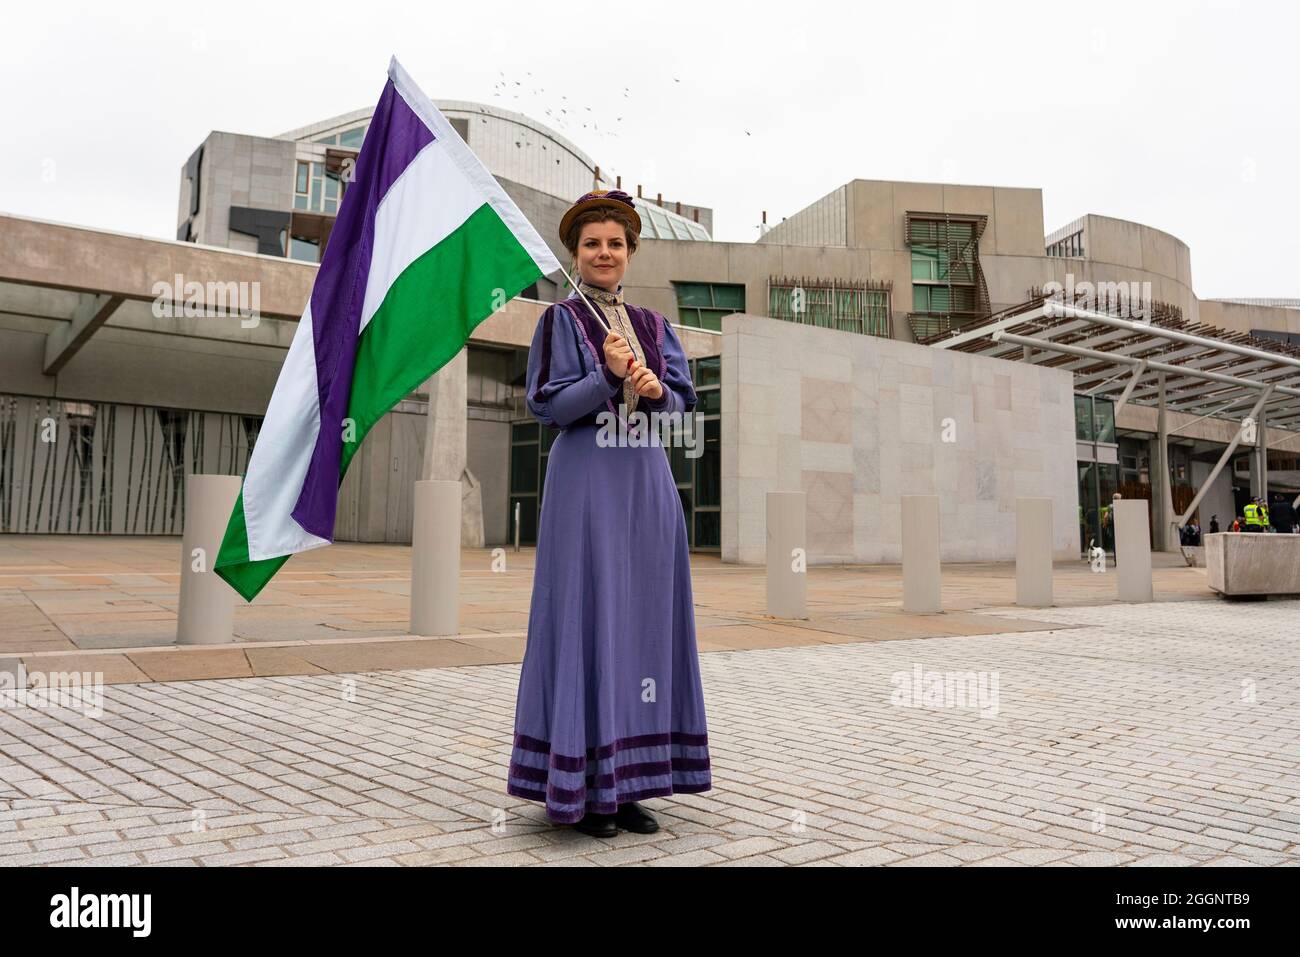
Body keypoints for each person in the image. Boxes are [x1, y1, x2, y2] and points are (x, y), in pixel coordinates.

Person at [506, 189, 712, 838]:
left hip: (644, 484)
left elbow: (680, 403)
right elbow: (548, 405)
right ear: (576, 251)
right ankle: (584, 789)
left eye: (615, 243)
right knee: (589, 617)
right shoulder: (559, 321)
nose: (603, 253)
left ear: (630, 253)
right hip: (586, 481)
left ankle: (630, 786)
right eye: (592, 243)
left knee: (642, 624)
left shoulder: (654, 325)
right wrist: (605, 376)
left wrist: (652, 387)